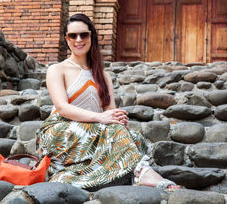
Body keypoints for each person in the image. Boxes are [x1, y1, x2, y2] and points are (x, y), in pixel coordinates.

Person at [36, 13, 180, 191]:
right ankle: (143, 173)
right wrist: (101, 117)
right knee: (114, 133)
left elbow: (110, 113)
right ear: (67, 39)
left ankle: (118, 174)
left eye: (84, 34)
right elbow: (62, 108)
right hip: (60, 130)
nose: (78, 39)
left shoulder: (103, 76)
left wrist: (117, 119)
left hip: (94, 131)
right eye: (73, 35)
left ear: (92, 37)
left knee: (135, 138)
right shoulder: (57, 69)